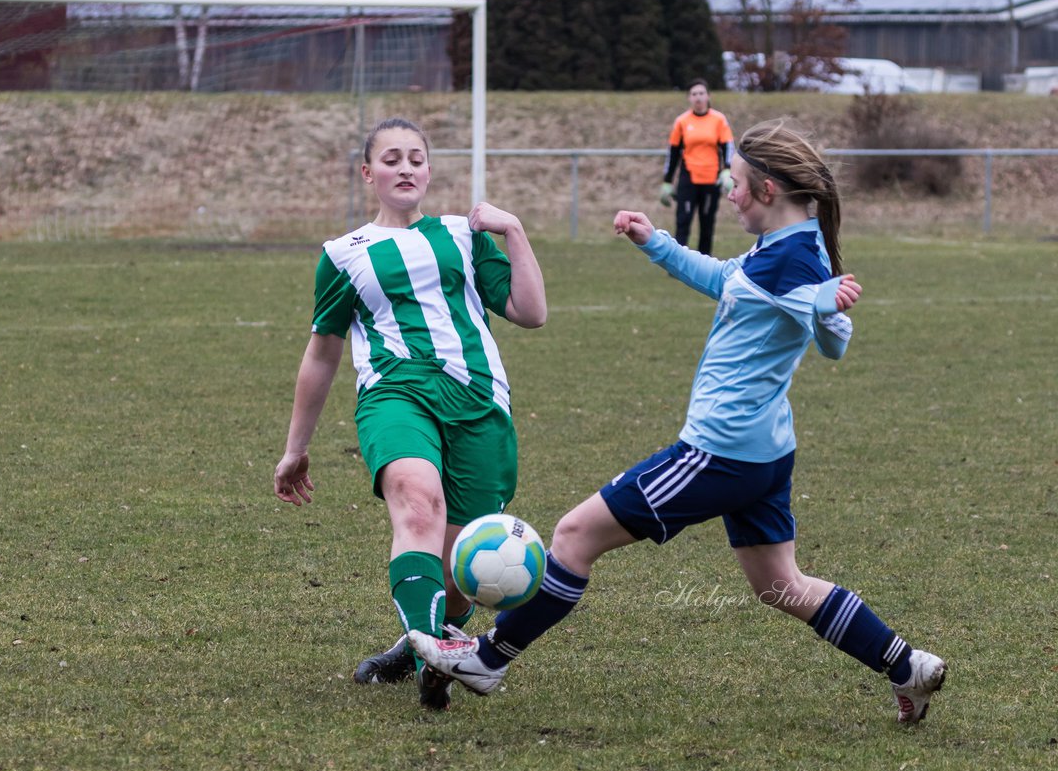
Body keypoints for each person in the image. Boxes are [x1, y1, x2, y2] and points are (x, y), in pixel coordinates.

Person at [411, 118, 947, 724]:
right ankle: (908, 666)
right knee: (781, 584)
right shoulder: (792, 246)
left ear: (767, 190)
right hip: (764, 453)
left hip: (719, 453)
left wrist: (824, 306)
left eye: (735, 182)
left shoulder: (796, 260)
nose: (728, 191)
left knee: (574, 536)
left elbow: (825, 328)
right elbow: (733, 283)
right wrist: (655, 242)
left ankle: (488, 658)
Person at [273, 117, 547, 711]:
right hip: (397, 394)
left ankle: (424, 644)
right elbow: (322, 351)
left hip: (479, 405)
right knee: (417, 502)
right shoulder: (343, 255)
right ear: (369, 174)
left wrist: (514, 232)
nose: (406, 169)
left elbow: (530, 312)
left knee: (456, 580)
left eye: (416, 159)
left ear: (429, 170)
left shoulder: (463, 235)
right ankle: (429, 649)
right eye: (391, 159)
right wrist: (296, 446)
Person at [660, 78, 734, 257]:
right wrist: (667, 182)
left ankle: (704, 266)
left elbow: (728, 146)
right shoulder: (682, 121)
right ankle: (677, 263)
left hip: (711, 180)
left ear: (708, 96)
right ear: (689, 98)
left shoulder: (718, 120)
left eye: (701, 93)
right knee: (683, 221)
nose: (698, 97)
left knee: (707, 223)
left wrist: (727, 170)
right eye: (694, 94)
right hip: (689, 179)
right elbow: (674, 152)